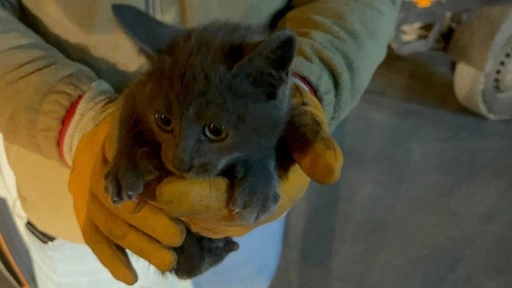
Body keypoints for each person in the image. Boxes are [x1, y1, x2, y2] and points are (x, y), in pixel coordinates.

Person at [0, 0, 401, 287]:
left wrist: (311, 78)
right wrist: (76, 118)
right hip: (71, 212)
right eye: (166, 124)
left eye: (213, 134)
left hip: (239, 220)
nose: (180, 158)